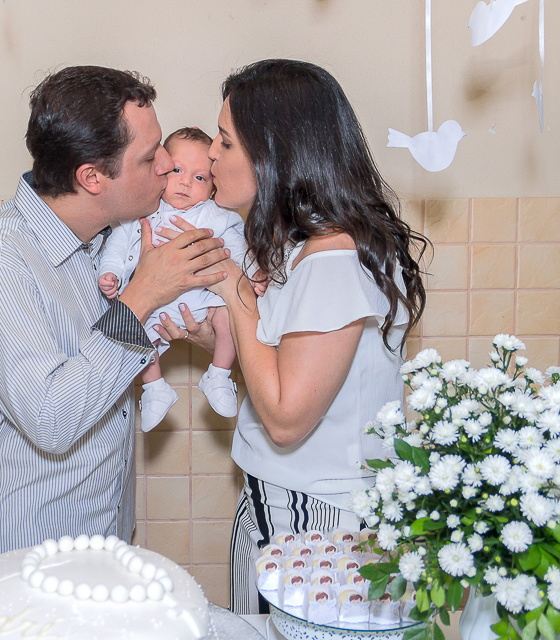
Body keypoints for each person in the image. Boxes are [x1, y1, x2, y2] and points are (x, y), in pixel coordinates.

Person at [158, 59, 428, 614]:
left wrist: (233, 287)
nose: (211, 156)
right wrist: (216, 341)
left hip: (318, 522)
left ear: (274, 154)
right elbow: (292, 369)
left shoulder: (331, 262)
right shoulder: (306, 247)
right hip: (286, 502)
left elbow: (285, 420)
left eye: (225, 142)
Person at [0, 66, 230, 572]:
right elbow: (52, 418)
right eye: (150, 157)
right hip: (23, 548)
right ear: (92, 178)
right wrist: (142, 295)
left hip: (103, 537)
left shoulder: (105, 240)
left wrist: (209, 331)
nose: (167, 165)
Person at [98, 127, 247, 431]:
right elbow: (119, 243)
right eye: (178, 170)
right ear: (161, 169)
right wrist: (109, 272)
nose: (186, 182)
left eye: (200, 177)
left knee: (229, 319)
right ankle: (155, 389)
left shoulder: (215, 214)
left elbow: (238, 247)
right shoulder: (144, 211)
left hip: (204, 300)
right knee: (135, 336)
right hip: (155, 306)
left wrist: (252, 272)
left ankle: (219, 374)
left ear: (213, 187)